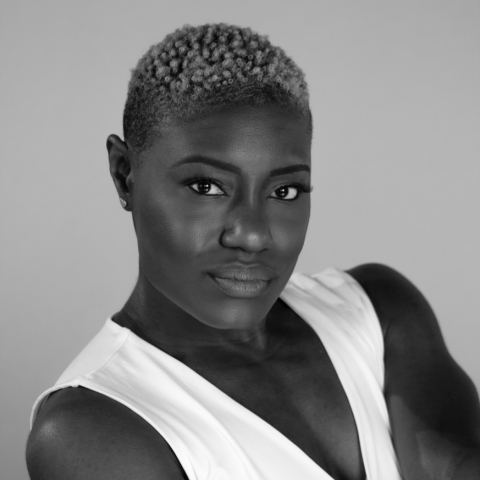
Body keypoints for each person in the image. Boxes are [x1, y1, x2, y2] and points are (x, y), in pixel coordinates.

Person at [26, 23, 480, 480]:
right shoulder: (90, 429)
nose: (253, 235)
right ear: (125, 174)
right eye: (206, 186)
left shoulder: (379, 316)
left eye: (284, 190)